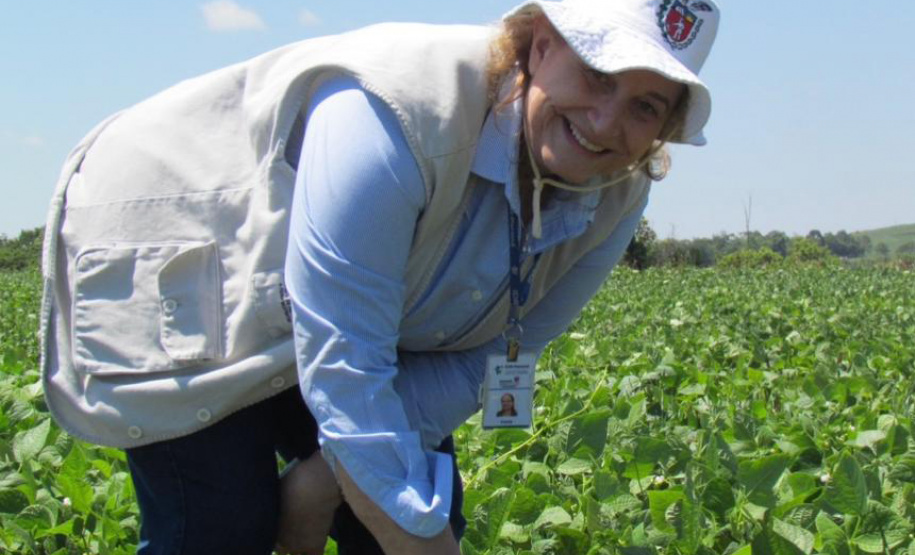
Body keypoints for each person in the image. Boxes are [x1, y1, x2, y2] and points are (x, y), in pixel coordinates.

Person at [39, 0, 721, 553]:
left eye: (645, 106)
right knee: (223, 526)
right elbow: (347, 367)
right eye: (598, 75)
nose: (605, 123)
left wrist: (321, 482)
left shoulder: (616, 193)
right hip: (188, 246)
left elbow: (494, 356)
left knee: (416, 505)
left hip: (338, 305)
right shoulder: (394, 114)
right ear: (541, 45)